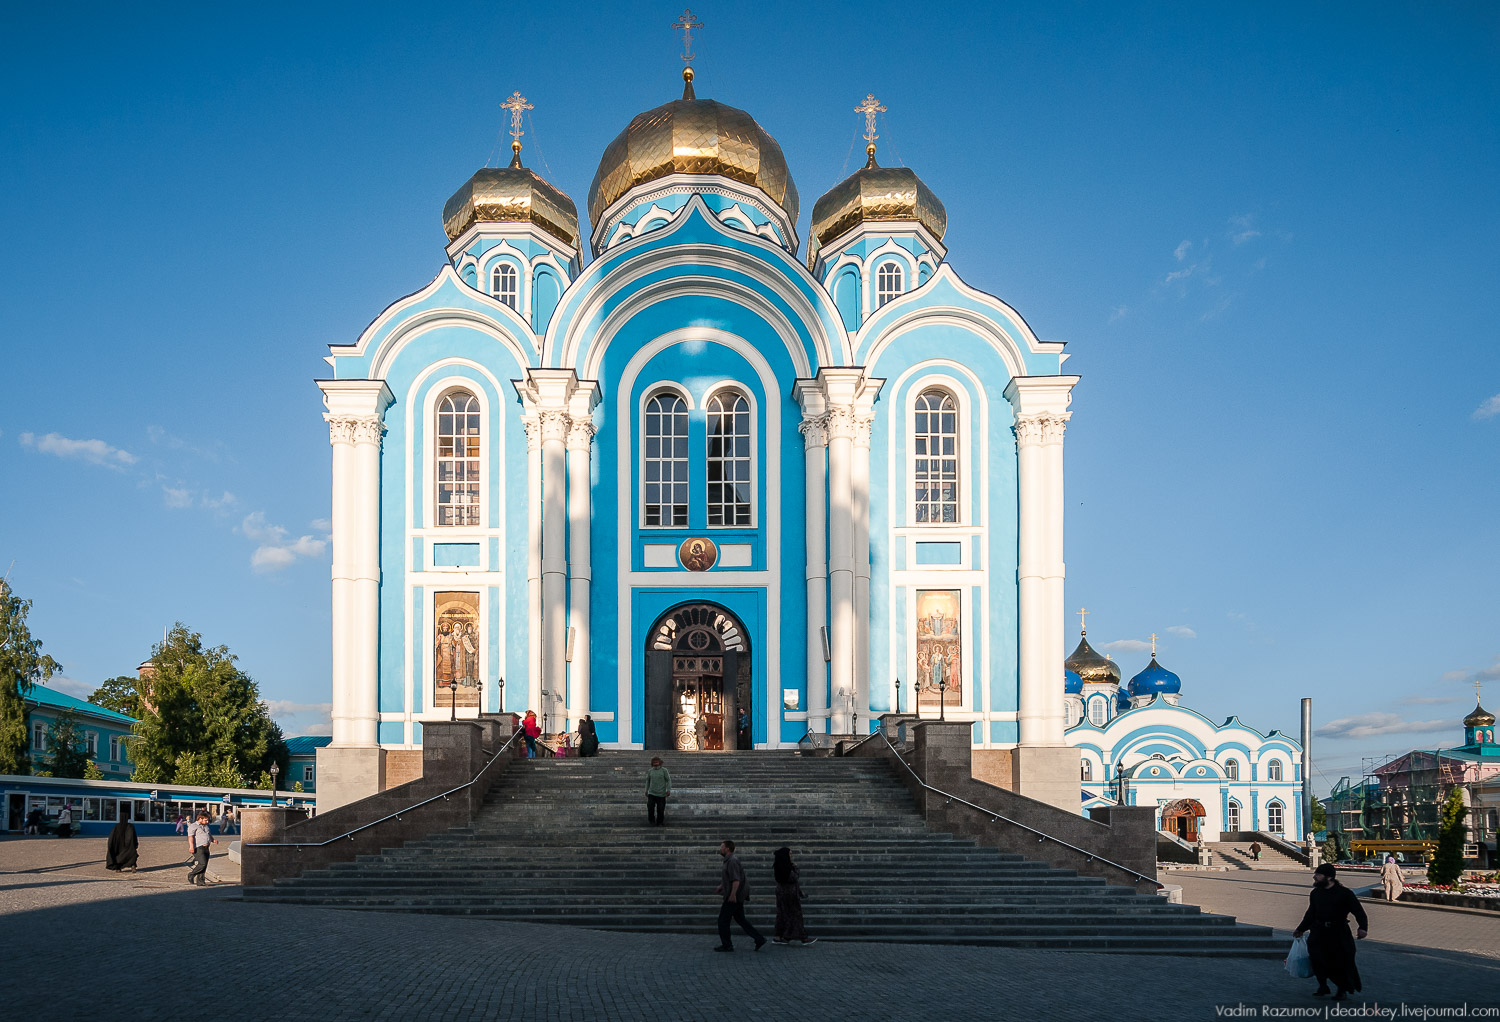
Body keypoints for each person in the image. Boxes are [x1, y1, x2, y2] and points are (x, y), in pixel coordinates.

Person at [1293, 863, 1367, 1001]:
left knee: (1339, 962)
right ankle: (1323, 985)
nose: (1314, 877)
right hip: (1318, 931)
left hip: (1338, 932)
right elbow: (1310, 914)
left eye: (1318, 874)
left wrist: (1363, 927)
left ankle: (1341, 989)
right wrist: (1300, 929)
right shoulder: (1316, 893)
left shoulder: (1345, 893)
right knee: (1317, 959)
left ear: (1329, 877)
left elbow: (1358, 912)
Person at [713, 840, 766, 952]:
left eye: (722, 847)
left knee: (722, 921)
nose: (720, 849)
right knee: (741, 920)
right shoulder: (729, 860)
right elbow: (729, 877)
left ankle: (727, 945)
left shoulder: (732, 861)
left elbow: (736, 880)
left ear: (727, 849)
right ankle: (759, 939)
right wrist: (721, 886)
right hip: (736, 895)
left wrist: (732, 895)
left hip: (734, 896)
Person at [771, 847, 816, 946]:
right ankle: (803, 937)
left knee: (783, 915)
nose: (791, 855)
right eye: (790, 854)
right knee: (795, 915)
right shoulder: (786, 867)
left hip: (784, 893)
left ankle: (781, 936)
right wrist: (796, 868)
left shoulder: (780, 865)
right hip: (789, 895)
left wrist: (800, 893)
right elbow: (794, 878)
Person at [185, 811, 217, 886]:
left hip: (206, 847)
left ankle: (200, 881)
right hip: (198, 847)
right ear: (200, 819)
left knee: (205, 865)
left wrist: (213, 840)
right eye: (205, 820)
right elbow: (190, 837)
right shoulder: (193, 826)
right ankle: (191, 874)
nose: (207, 821)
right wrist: (191, 846)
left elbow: (208, 834)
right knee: (202, 863)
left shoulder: (205, 826)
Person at [646, 756, 672, 826]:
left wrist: (668, 789)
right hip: (651, 793)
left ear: (660, 763)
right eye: (654, 762)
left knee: (660, 809)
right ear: (652, 763)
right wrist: (646, 790)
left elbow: (668, 780)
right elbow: (648, 781)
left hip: (661, 794)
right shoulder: (650, 771)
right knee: (650, 807)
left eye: (657, 762)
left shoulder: (664, 770)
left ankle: (660, 822)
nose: (655, 764)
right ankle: (651, 821)